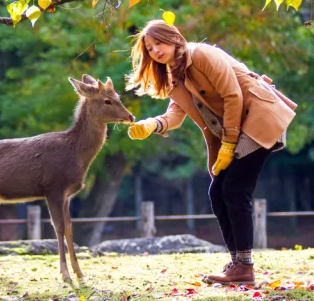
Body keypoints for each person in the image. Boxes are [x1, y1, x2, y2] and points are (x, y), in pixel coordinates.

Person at [125, 19, 298, 286]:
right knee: (217, 192)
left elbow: (233, 96)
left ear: (173, 37)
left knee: (235, 191)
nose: (155, 51)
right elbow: (177, 112)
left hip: (257, 116)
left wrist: (228, 144)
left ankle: (244, 266)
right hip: (236, 127)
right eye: (149, 48)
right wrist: (153, 124)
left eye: (158, 42)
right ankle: (238, 264)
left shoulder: (200, 54)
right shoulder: (175, 74)